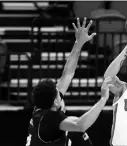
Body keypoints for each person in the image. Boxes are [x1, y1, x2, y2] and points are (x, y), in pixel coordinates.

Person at [25, 17, 113, 146]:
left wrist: (79, 43)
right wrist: (103, 99)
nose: (59, 89)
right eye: (57, 91)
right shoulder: (50, 119)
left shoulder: (43, 107)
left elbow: (68, 73)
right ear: (55, 101)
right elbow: (80, 125)